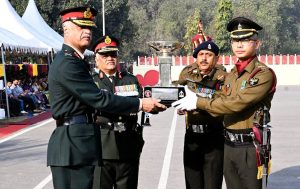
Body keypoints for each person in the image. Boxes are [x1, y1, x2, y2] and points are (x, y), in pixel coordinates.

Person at [47, 7, 166, 189]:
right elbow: (100, 100)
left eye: (89, 28)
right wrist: (141, 104)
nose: (87, 32)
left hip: (79, 143)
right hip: (73, 144)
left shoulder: (74, 60)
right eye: (81, 27)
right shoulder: (68, 63)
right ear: (67, 29)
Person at [172, 17, 277, 189]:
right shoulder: (232, 74)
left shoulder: (262, 74)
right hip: (228, 145)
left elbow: (236, 103)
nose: (239, 45)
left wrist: (198, 102)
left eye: (245, 40)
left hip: (250, 146)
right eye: (236, 40)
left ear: (257, 44)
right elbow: (219, 98)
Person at [90, 35, 144, 189]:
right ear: (96, 59)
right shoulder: (91, 82)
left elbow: (140, 103)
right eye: (105, 55)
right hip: (102, 147)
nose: (110, 58)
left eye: (113, 54)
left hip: (128, 145)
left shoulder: (130, 80)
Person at [175, 41, 226, 189]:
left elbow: (224, 100)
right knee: (192, 182)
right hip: (192, 136)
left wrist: (198, 100)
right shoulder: (187, 73)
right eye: (201, 54)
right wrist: (180, 106)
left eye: (209, 55)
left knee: (212, 183)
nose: (204, 58)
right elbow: (179, 93)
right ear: (196, 57)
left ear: (216, 58)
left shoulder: (223, 76)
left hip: (214, 136)